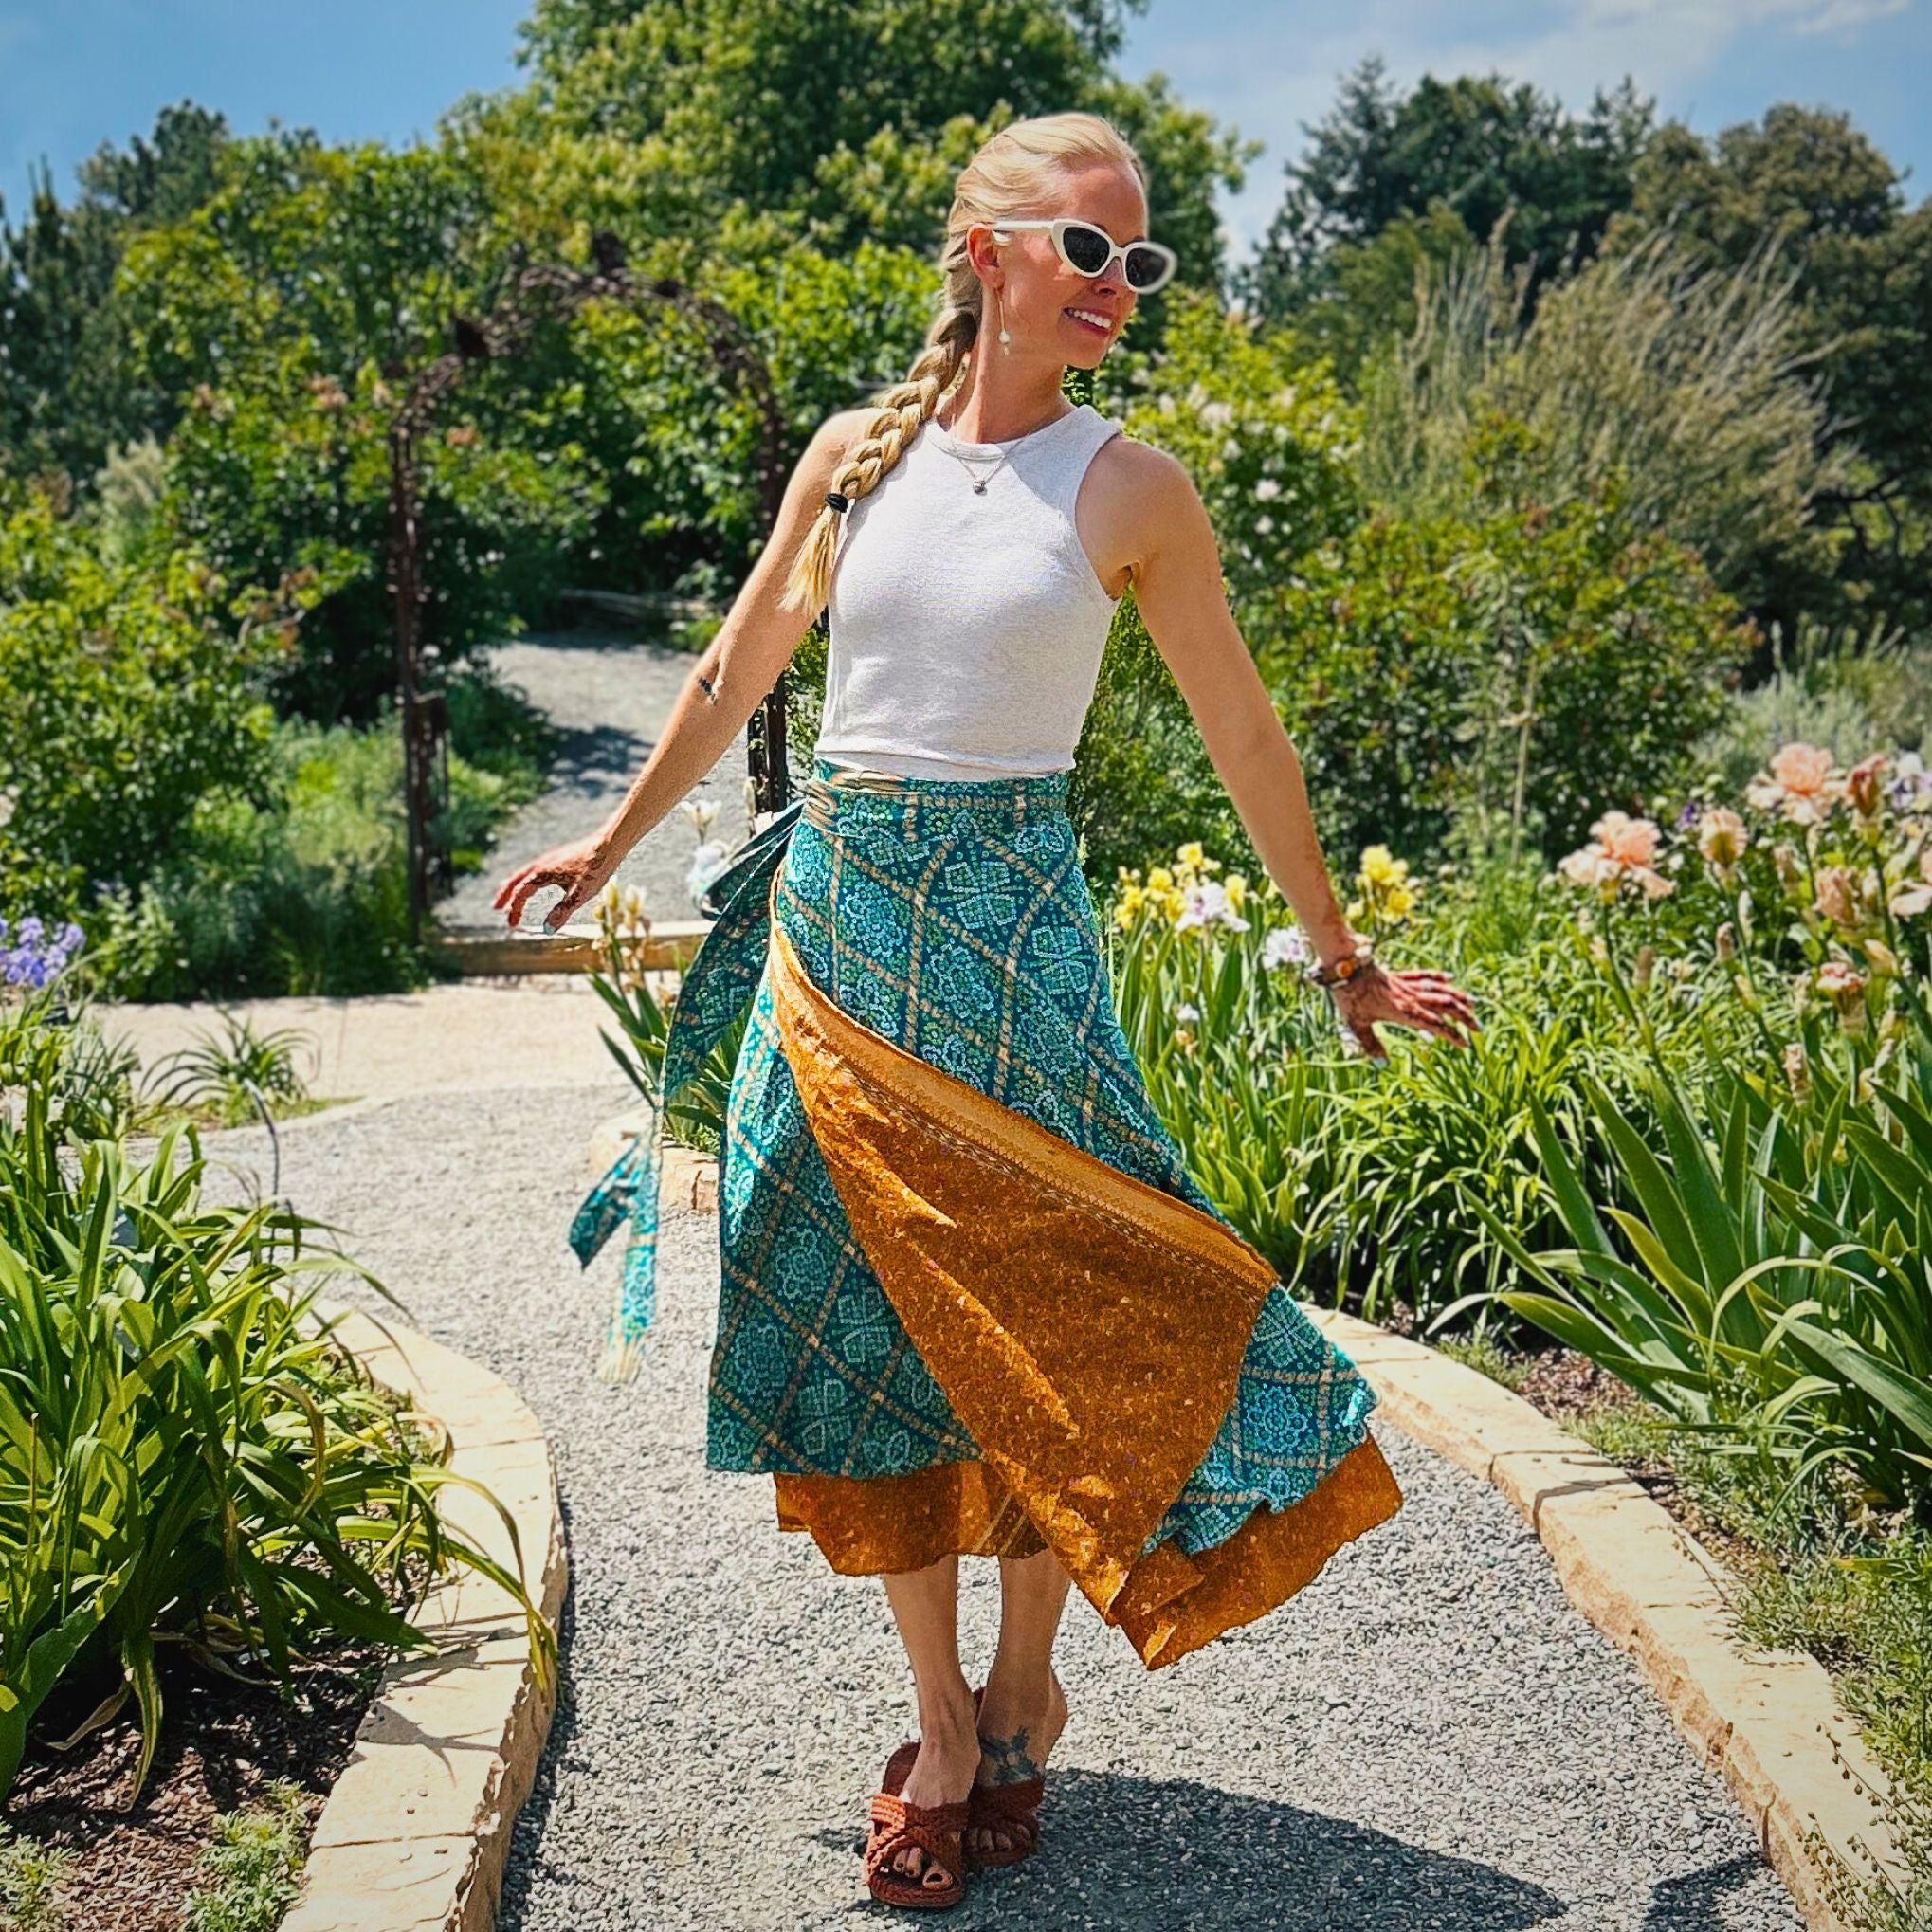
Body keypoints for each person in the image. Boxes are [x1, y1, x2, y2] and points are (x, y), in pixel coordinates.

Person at [494, 108, 1479, 1914]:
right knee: (874, 1325)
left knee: (1056, 1294)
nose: (1118, 285)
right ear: (990, 255)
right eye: (1086, 249)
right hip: (845, 928)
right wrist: (612, 838)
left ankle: (1028, 1681)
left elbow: (1240, 734)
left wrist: (1337, 951)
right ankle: (941, 1723)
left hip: (1017, 942)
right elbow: (738, 667)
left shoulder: (1130, 489)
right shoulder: (855, 459)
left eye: (1141, 259)